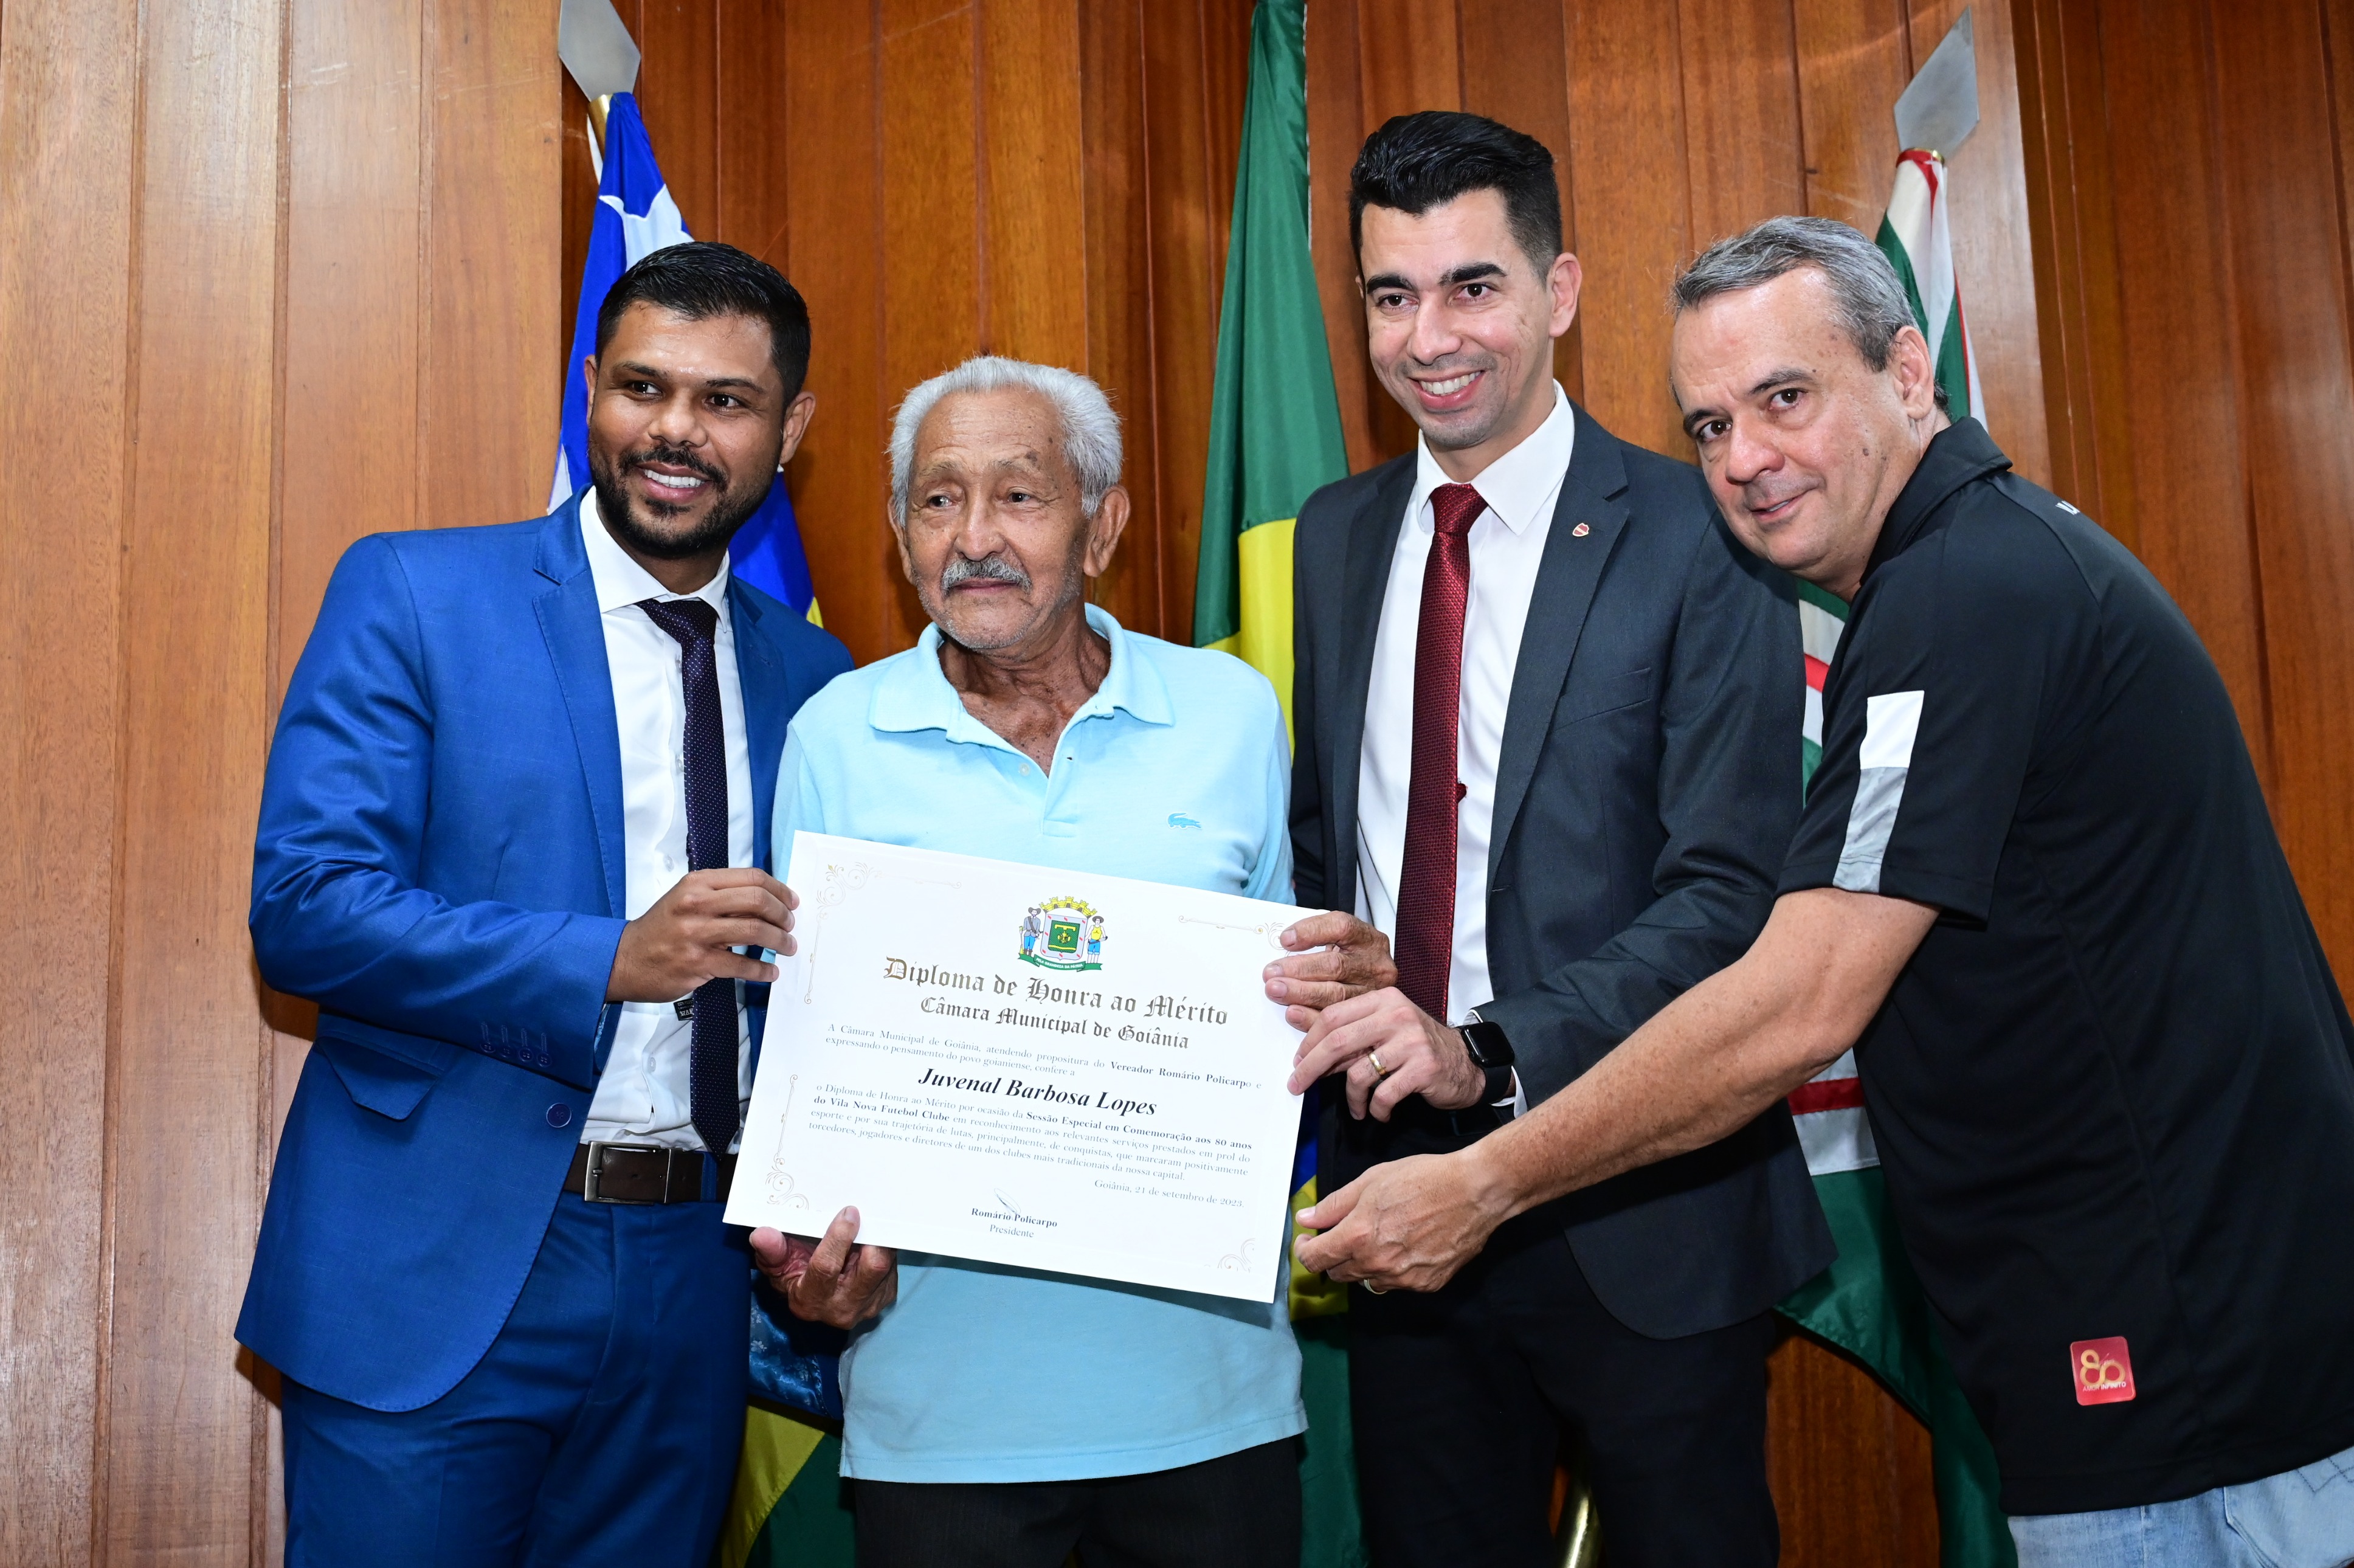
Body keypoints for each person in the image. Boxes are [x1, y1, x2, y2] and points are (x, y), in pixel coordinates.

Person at [1294, 215, 2354, 1567]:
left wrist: (1482, 1182)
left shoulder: (1963, 594)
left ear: (1909, 372)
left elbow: (1800, 1001)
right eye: (1709, 425)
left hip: (2194, 1347)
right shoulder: (1948, 579)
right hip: (2142, 1318)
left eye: (1784, 398)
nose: (1745, 458)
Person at [1260, 111, 1831, 1568]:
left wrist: (1489, 1048)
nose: (1429, 339)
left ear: (1559, 290)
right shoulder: (1333, 535)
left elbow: (1727, 897)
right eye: (1392, 296)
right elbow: (1333, 844)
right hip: (1398, 1191)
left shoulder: (1703, 529)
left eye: (1473, 288)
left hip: (1647, 1198)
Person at [241, 241, 852, 1567]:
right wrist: (604, 958)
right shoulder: (417, 594)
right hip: (436, 1264)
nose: (675, 430)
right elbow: (304, 906)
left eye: (725, 401)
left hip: (697, 1277)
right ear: (590, 391)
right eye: (642, 388)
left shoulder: (822, 679)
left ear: (790, 428)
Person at [759, 356, 1303, 1568]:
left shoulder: (1230, 714)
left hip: (1208, 1400)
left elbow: (1280, 1025)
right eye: (938, 500)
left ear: (1101, 527)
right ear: (901, 533)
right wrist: (809, 1263)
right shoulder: (836, 738)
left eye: (1019, 496)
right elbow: (807, 1058)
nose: (975, 539)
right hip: (941, 1416)